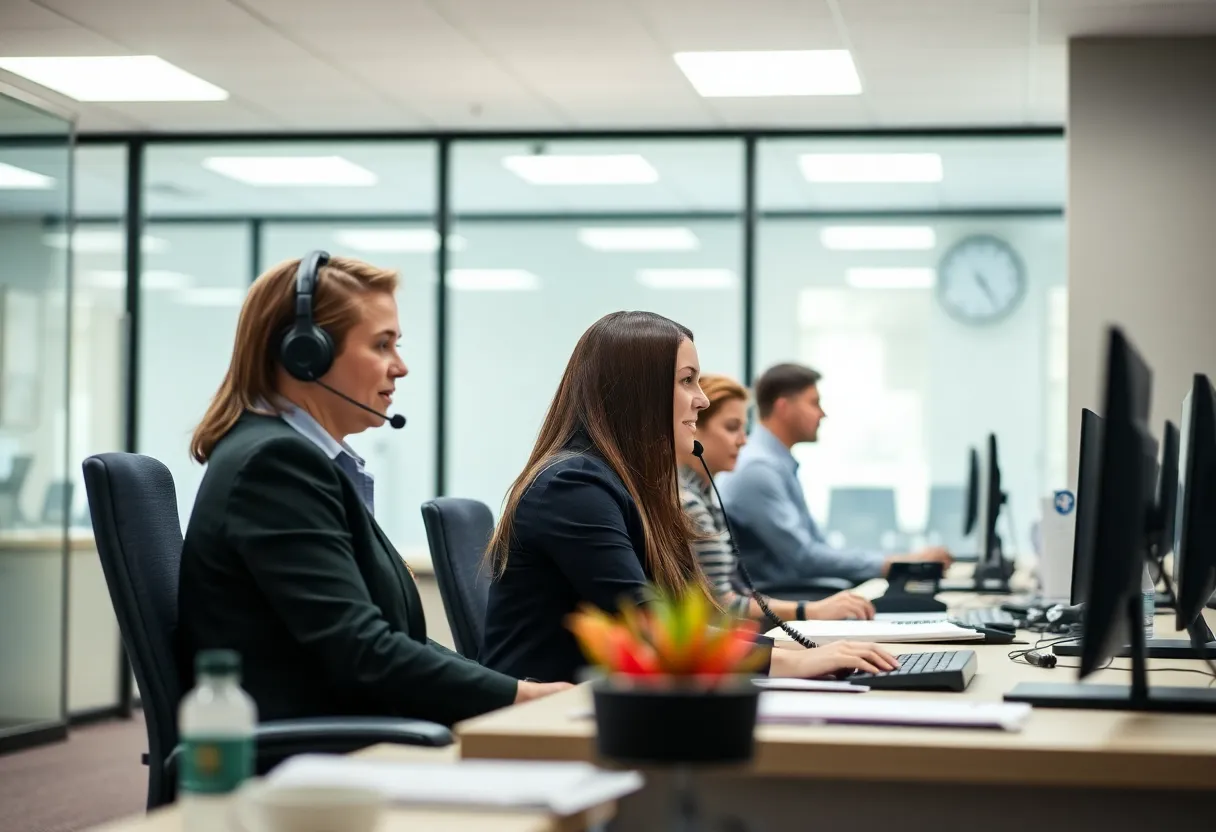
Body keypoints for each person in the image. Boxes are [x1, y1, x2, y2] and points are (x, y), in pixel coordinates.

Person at [178, 252, 569, 727]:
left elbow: (385, 635)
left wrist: (518, 692)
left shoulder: (300, 460)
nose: (400, 367)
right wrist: (519, 700)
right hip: (313, 759)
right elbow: (362, 650)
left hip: (346, 733)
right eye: (382, 345)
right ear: (306, 355)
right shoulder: (275, 465)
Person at [480, 311, 899, 684]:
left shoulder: (628, 484)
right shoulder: (572, 486)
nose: (701, 398)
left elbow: (683, 620)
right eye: (686, 381)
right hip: (550, 719)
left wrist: (810, 652)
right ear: (638, 393)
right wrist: (795, 662)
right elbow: (653, 626)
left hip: (616, 702)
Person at [718, 362, 952, 589]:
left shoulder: (775, 464)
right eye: (814, 403)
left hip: (797, 590)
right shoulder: (758, 470)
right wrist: (897, 564)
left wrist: (898, 561)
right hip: (787, 598)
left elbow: (816, 547)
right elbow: (804, 557)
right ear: (783, 408)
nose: (822, 414)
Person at [676, 373, 875, 622]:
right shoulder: (691, 505)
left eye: (743, 428)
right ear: (693, 427)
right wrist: (808, 610)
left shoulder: (705, 499)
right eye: (731, 428)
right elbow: (719, 605)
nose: (743, 441)